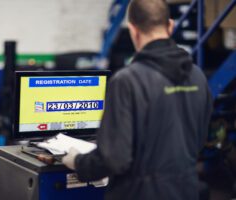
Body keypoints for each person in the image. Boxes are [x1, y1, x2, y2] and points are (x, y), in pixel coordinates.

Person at [62, 0, 213, 199]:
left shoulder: (128, 81)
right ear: (170, 25)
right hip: (187, 190)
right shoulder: (198, 76)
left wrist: (78, 161)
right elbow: (200, 139)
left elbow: (114, 159)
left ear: (133, 30)